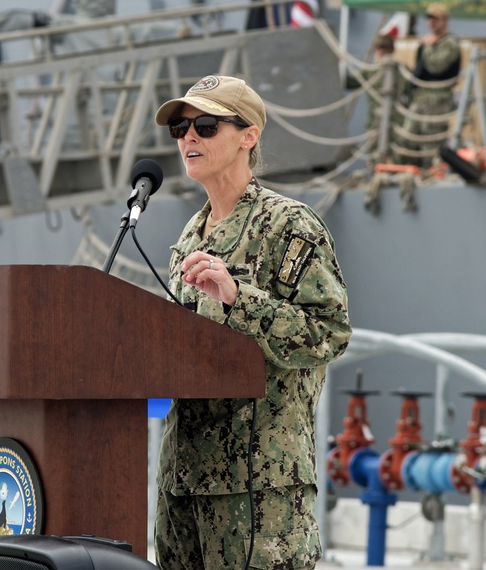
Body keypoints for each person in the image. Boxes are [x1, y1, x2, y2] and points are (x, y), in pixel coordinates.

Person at [151, 75, 352, 570]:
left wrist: (240, 298)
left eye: (205, 125)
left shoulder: (288, 225)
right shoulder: (190, 235)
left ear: (249, 135)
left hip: (258, 486)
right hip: (183, 479)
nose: (188, 138)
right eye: (180, 129)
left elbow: (327, 334)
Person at [398, 2, 461, 168]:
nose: (432, 23)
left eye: (436, 19)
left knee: (431, 144)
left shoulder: (450, 43)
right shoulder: (428, 41)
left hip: (437, 99)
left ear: (445, 20)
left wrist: (428, 47)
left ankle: (430, 174)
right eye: (430, 19)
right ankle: (409, 172)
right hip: (420, 98)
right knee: (407, 139)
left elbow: (436, 66)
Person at [364, 33, 408, 166]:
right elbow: (351, 81)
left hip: (396, 121)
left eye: (384, 47)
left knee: (398, 155)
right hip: (375, 121)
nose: (381, 51)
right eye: (378, 48)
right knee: (373, 155)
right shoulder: (371, 70)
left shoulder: (401, 70)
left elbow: (410, 91)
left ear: (391, 49)